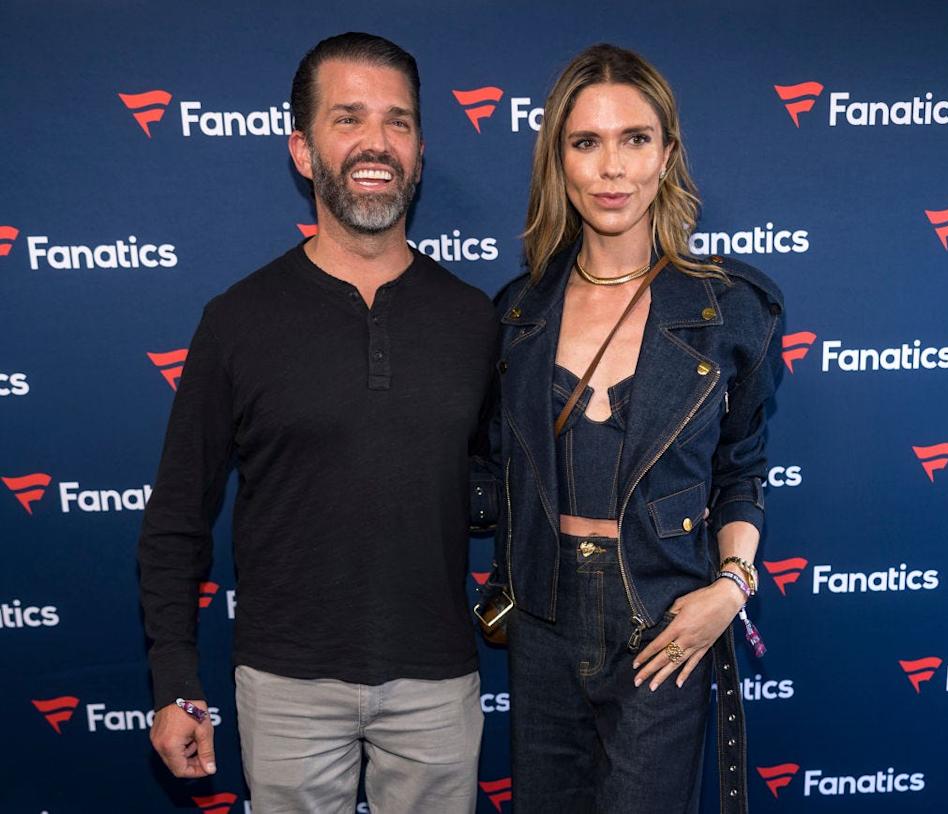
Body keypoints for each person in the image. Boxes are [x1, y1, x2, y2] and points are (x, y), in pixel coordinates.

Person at [138, 32, 498, 813]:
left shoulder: (475, 321)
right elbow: (176, 519)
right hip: (284, 686)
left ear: (422, 150)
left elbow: (508, 486)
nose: (377, 142)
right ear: (302, 150)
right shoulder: (237, 320)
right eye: (349, 119)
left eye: (398, 122)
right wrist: (173, 683)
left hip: (437, 680)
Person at [486, 44, 784, 812]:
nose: (612, 168)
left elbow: (742, 469)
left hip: (662, 620)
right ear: (559, 161)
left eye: (635, 139)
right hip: (543, 622)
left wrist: (731, 587)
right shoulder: (516, 316)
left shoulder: (729, 311)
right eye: (587, 142)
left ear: (668, 154)